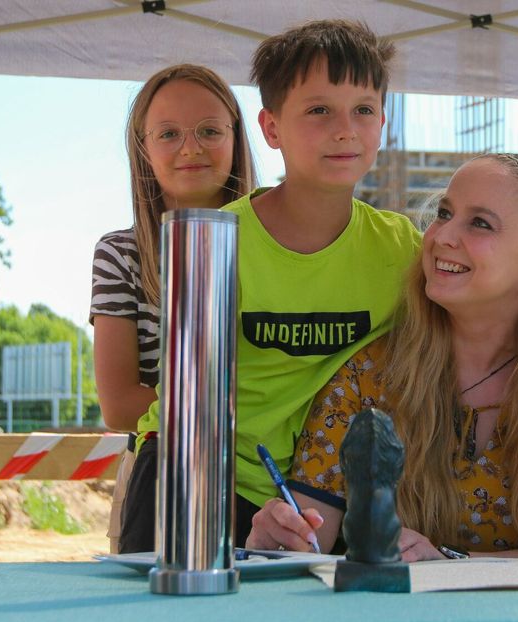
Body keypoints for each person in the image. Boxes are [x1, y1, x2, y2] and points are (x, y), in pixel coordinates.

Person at [121, 20, 422, 553]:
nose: (345, 129)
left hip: (319, 498)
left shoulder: (401, 249)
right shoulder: (215, 242)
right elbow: (190, 398)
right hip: (190, 472)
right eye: (318, 110)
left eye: (364, 109)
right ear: (271, 127)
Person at [246, 154, 518, 561]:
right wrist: (277, 537)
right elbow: (311, 534)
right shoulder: (370, 375)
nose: (441, 236)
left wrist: (449, 565)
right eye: (444, 213)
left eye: (480, 223)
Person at [89, 64, 256, 552]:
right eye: (168, 133)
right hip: (163, 481)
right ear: (142, 147)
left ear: (236, 138)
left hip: (274, 488)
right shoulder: (121, 254)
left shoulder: (279, 245)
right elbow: (119, 405)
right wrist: (254, 406)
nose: (191, 147)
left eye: (209, 130)